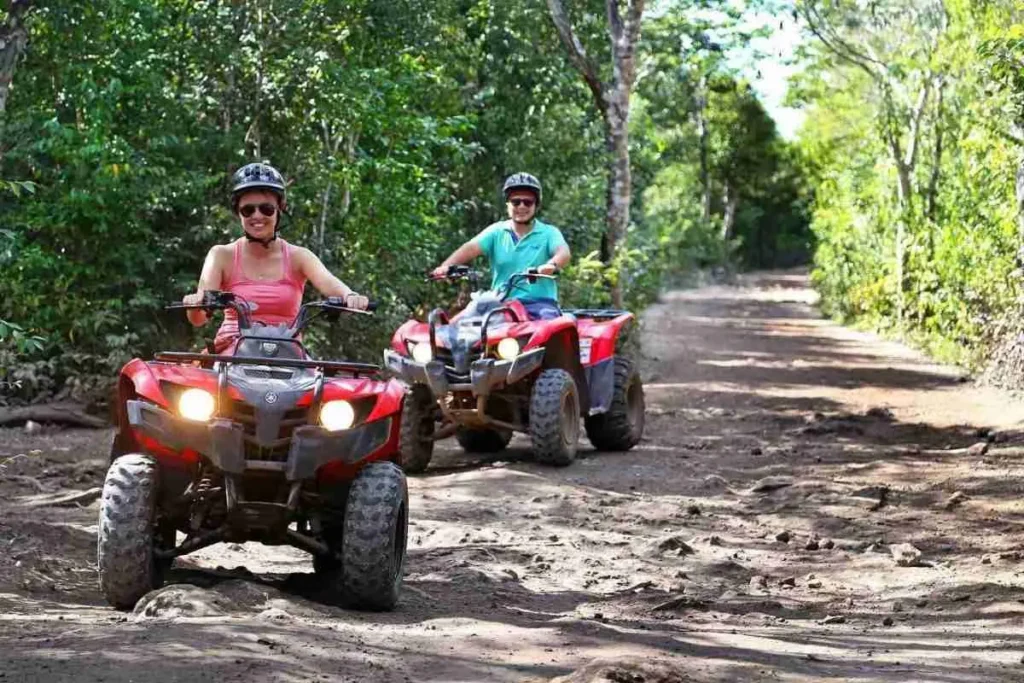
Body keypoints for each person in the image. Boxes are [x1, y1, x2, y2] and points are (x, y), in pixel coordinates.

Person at [182, 162, 369, 352]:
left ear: (280, 208)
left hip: (288, 354)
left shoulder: (299, 257)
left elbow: (329, 282)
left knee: (323, 381)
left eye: (266, 209)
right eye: (248, 210)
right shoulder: (221, 255)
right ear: (238, 211)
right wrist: (194, 304)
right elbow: (198, 320)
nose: (257, 216)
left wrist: (349, 295)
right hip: (232, 352)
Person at [431, 173, 571, 319]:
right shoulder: (497, 231)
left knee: (548, 329)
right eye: (516, 202)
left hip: (538, 304)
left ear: (536, 205)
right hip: (499, 303)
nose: (521, 206)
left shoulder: (548, 232)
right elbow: (470, 247)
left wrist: (551, 265)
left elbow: (563, 252)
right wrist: (446, 267)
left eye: (527, 202)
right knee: (458, 325)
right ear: (508, 205)